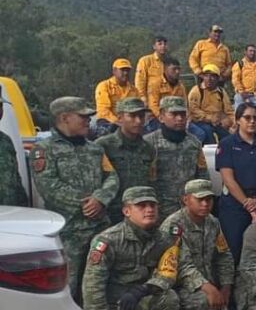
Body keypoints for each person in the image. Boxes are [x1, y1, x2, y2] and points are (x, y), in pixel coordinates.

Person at [83, 186, 181, 310]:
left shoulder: (164, 240)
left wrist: (142, 290)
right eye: (141, 206)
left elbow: (167, 273)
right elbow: (91, 287)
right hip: (112, 306)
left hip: (138, 299)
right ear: (126, 211)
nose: (149, 210)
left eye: (152, 205)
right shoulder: (107, 241)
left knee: (169, 299)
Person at [31, 97, 120, 301]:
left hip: (99, 227)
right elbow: (49, 187)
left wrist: (100, 199)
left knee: (102, 284)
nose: (89, 120)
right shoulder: (44, 150)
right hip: (69, 230)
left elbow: (112, 176)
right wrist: (86, 204)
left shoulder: (95, 149)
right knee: (68, 287)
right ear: (64, 118)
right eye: (83, 116)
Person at [160, 179, 239, 310]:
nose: (205, 204)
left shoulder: (213, 222)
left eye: (209, 200)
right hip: (180, 287)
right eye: (200, 199)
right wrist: (207, 287)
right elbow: (181, 265)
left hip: (208, 285)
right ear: (186, 200)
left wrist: (226, 286)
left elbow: (224, 255)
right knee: (200, 300)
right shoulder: (173, 226)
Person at [216, 102, 256, 262]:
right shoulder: (227, 144)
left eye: (255, 118)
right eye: (247, 118)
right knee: (235, 252)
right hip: (235, 207)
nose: (252, 121)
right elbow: (228, 179)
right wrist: (248, 204)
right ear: (238, 120)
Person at [144, 96, 209, 224]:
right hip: (159, 210)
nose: (179, 119)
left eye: (182, 114)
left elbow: (202, 174)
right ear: (161, 117)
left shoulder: (194, 143)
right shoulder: (148, 143)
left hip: (188, 209)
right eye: (174, 114)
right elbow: (144, 180)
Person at [96, 97, 156, 222]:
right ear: (119, 118)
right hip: (111, 214)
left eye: (141, 116)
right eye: (132, 116)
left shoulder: (148, 149)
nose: (138, 121)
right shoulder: (103, 146)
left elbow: (151, 181)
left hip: (140, 214)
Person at [187, 64, 233, 145]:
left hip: (217, 121)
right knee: (208, 133)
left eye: (212, 76)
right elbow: (193, 110)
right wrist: (210, 118)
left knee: (227, 136)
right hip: (200, 121)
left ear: (217, 79)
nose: (209, 79)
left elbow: (229, 110)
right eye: (206, 76)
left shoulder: (221, 92)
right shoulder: (196, 91)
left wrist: (233, 122)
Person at [0, 83, 28, 207]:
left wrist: (24, 209)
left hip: (10, 218)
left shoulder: (5, 141)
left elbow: (16, 182)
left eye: (1, 106)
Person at [94, 58, 139, 134]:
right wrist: (119, 122)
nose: (125, 73)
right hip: (108, 121)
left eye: (127, 70)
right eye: (122, 70)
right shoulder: (104, 86)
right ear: (114, 71)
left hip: (128, 122)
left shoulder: (134, 90)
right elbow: (103, 111)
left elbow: (137, 109)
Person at [145, 56, 187, 130]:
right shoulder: (155, 84)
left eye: (178, 69)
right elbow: (153, 106)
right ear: (165, 69)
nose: (177, 72)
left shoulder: (181, 86)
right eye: (174, 69)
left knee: (199, 133)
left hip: (178, 117)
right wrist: (165, 118)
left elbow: (185, 105)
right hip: (158, 118)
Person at [230, 44, 256, 116]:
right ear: (245, 52)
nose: (252, 53)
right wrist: (242, 92)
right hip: (242, 94)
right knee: (239, 110)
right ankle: (238, 125)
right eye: (250, 51)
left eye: (254, 51)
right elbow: (235, 80)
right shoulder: (239, 64)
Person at [134, 36, 167, 119]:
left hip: (166, 97)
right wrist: (142, 97)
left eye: (165, 44)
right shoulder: (145, 60)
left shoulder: (169, 61)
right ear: (154, 46)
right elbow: (140, 80)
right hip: (150, 99)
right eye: (160, 44)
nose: (163, 46)